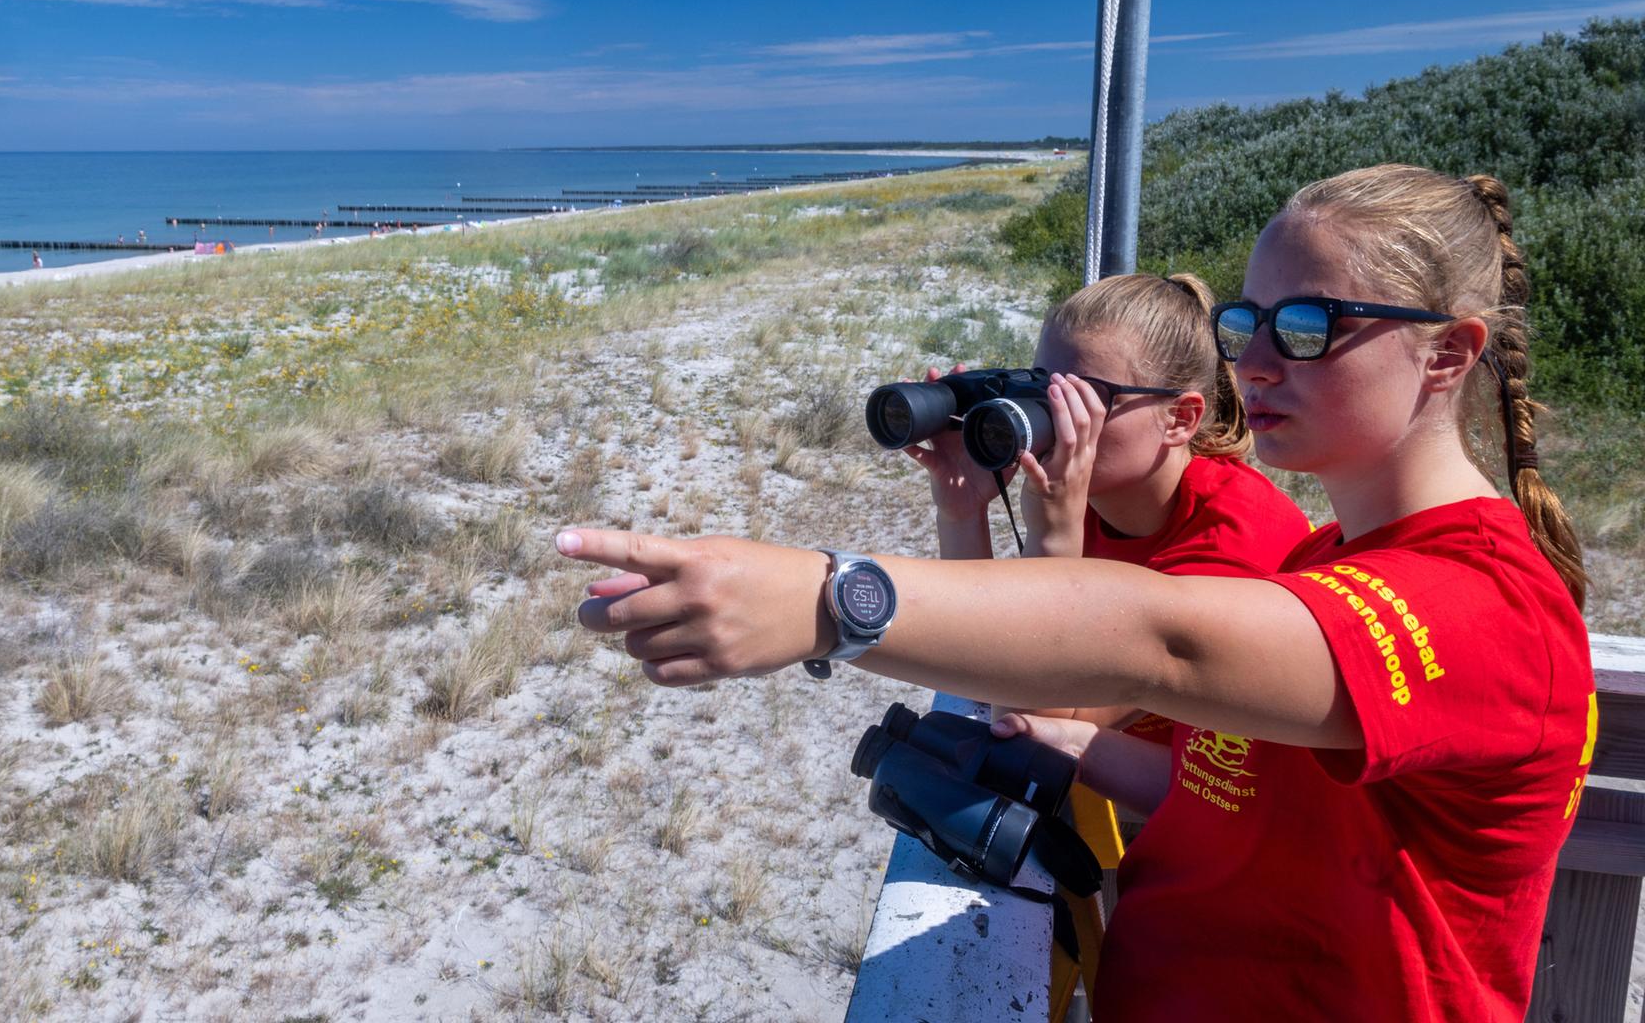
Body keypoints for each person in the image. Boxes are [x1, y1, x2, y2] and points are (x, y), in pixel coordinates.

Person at [560, 164, 1593, 1021]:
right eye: (1251, 322)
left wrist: (841, 602)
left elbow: (1162, 642)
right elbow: (1221, 797)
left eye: (1312, 327)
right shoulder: (1328, 559)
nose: (1261, 364)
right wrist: (1071, 740)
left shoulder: (1493, 608)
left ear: (1449, 352)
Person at [906, 273, 1311, 742]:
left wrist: (1052, 542)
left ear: (1180, 418)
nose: (1061, 418)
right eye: (1044, 390)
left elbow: (1035, 729)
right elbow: (978, 668)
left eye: (1087, 398)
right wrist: (961, 511)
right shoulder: (1103, 498)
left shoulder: (1234, 546)